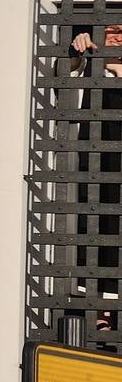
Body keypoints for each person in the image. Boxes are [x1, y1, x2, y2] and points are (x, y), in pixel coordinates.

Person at [65, 23, 122, 332]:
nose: (116, 36)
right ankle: (102, 312)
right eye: (111, 29)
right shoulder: (90, 62)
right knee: (97, 229)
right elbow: (67, 69)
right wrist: (77, 50)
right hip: (96, 166)